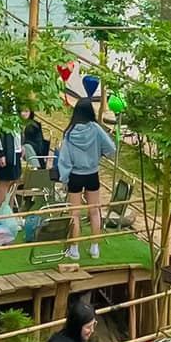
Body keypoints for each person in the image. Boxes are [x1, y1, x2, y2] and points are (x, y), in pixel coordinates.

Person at [55, 99, 117, 261]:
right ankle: (95, 247)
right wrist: (99, 153)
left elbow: (64, 158)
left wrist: (64, 178)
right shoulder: (96, 129)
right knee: (94, 211)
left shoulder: (70, 132)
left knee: (74, 213)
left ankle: (74, 249)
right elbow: (111, 148)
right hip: (92, 174)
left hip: (75, 175)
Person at [0, 128, 24, 211]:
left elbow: (19, 128)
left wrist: (21, 144)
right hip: (5, 151)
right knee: (4, 182)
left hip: (16, 150)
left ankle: (9, 211)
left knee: (14, 182)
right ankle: (1, 212)